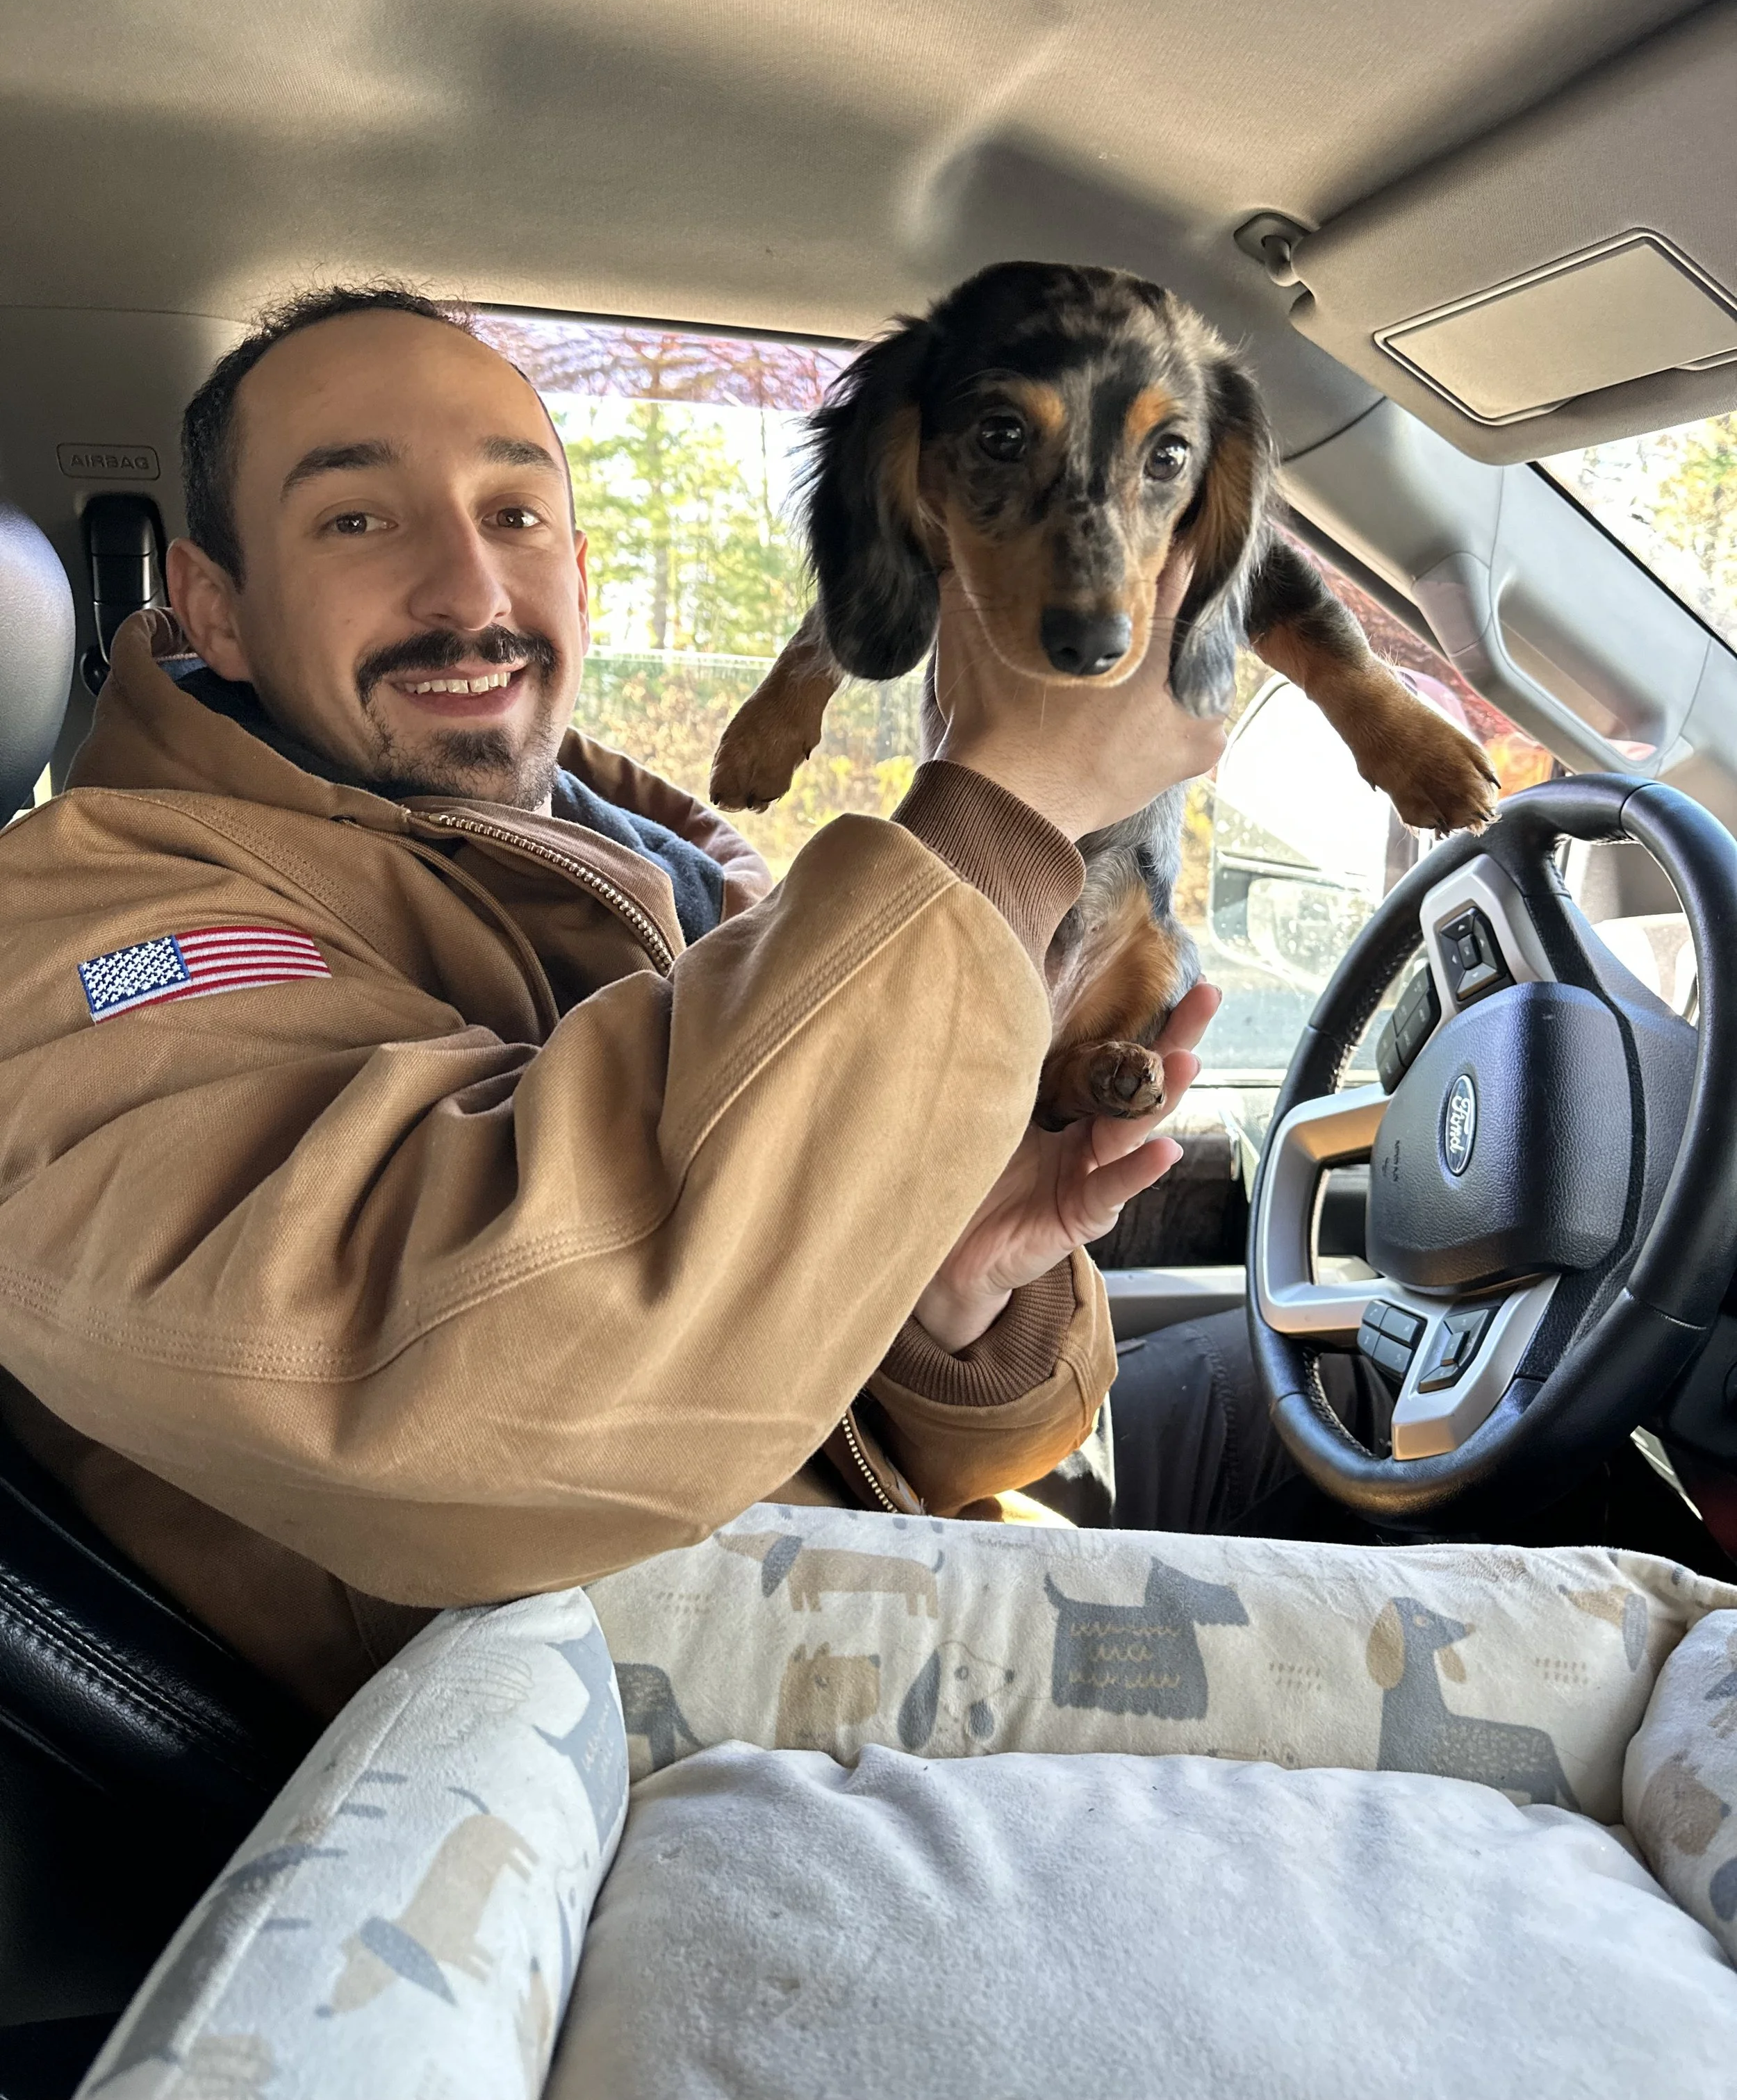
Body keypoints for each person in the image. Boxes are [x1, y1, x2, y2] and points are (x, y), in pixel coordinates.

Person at [0, 288, 1354, 1719]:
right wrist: (1006, 810)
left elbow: (928, 1440)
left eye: (515, 517)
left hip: (867, 1645)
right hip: (655, 1780)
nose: (469, 591)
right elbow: (495, 1404)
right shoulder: (95, 935)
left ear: (578, 570)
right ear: (216, 607)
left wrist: (946, 1296)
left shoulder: (653, 869)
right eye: (356, 520)